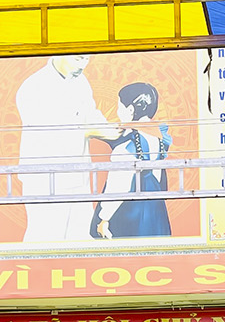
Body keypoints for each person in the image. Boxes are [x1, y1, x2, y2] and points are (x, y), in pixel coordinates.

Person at [14, 53, 111, 242]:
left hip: (78, 178)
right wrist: (90, 130)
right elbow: (48, 133)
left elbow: (90, 113)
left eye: (87, 59)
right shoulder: (34, 87)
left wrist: (110, 129)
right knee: (45, 239)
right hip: (46, 181)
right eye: (78, 59)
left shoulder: (81, 82)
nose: (83, 65)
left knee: (80, 238)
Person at [93, 80, 172, 239]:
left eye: (119, 106)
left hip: (131, 221)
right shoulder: (158, 138)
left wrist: (104, 219)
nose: (117, 112)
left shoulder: (126, 147)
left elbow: (117, 187)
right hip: (156, 215)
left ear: (130, 110)